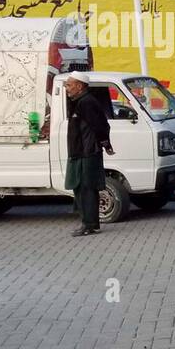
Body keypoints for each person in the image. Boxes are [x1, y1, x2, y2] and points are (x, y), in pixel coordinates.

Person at [63, 71, 114, 237]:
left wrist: (105, 144)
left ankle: (90, 225)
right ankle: (87, 223)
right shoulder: (78, 101)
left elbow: (100, 126)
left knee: (87, 188)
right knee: (79, 188)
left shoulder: (87, 102)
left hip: (87, 152)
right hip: (79, 152)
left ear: (79, 86)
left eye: (69, 85)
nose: (67, 88)